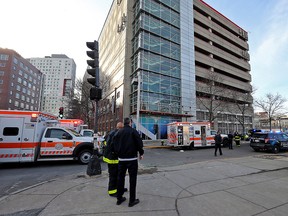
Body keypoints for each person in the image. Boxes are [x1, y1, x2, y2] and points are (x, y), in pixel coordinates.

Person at [112, 117, 144, 207]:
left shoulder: (118, 132)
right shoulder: (133, 131)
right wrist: (141, 153)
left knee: (120, 179)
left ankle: (119, 198)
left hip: (121, 160)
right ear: (130, 123)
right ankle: (132, 200)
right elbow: (139, 143)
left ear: (124, 123)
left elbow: (113, 144)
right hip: (132, 159)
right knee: (132, 180)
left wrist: (117, 153)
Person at [103, 122, 126, 197]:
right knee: (114, 175)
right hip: (113, 158)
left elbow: (106, 142)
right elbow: (116, 147)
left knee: (117, 174)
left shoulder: (111, 132)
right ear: (121, 128)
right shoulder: (117, 134)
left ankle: (119, 188)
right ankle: (112, 191)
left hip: (110, 157)